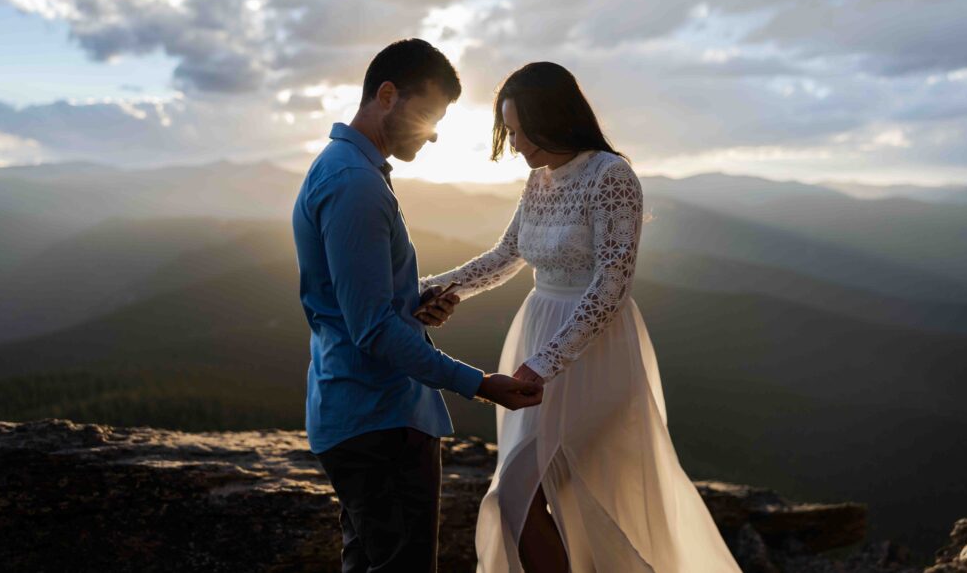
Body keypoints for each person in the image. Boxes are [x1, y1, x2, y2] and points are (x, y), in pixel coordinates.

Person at [421, 62, 743, 572]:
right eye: (510, 130)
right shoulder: (538, 180)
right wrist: (432, 289)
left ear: (555, 118)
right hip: (536, 328)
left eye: (523, 130)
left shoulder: (611, 176)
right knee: (529, 492)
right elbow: (507, 255)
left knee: (550, 491)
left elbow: (614, 281)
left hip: (593, 349)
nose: (517, 143)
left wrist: (548, 360)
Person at [291, 39, 544, 573]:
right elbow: (374, 331)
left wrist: (412, 303)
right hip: (378, 418)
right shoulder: (355, 185)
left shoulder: (345, 170)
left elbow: (361, 304)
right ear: (387, 95)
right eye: (428, 114)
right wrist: (480, 384)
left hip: (358, 412)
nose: (432, 135)